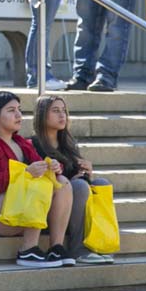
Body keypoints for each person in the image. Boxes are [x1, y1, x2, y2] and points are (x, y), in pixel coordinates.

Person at [0, 91, 75, 267]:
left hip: (13, 207)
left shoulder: (20, 143)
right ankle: (28, 249)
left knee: (62, 183)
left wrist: (52, 168)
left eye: (19, 110)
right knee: (36, 183)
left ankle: (56, 247)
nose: (18, 115)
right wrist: (27, 173)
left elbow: (39, 169)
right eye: (11, 110)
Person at [31, 95, 113, 264]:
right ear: (42, 115)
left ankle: (100, 243)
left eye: (64, 111)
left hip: (73, 200)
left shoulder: (68, 144)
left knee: (101, 184)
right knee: (80, 187)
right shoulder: (33, 144)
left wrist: (86, 173)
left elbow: (75, 178)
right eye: (55, 111)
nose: (62, 116)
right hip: (51, 208)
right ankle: (78, 250)